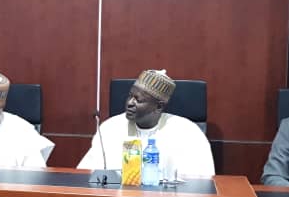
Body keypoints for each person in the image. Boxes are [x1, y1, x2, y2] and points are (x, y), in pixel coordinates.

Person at [77, 69, 214, 178]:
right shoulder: (110, 128)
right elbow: (86, 174)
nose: (130, 103)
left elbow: (200, 182)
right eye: (130, 96)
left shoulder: (187, 133)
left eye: (138, 100)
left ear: (158, 107)